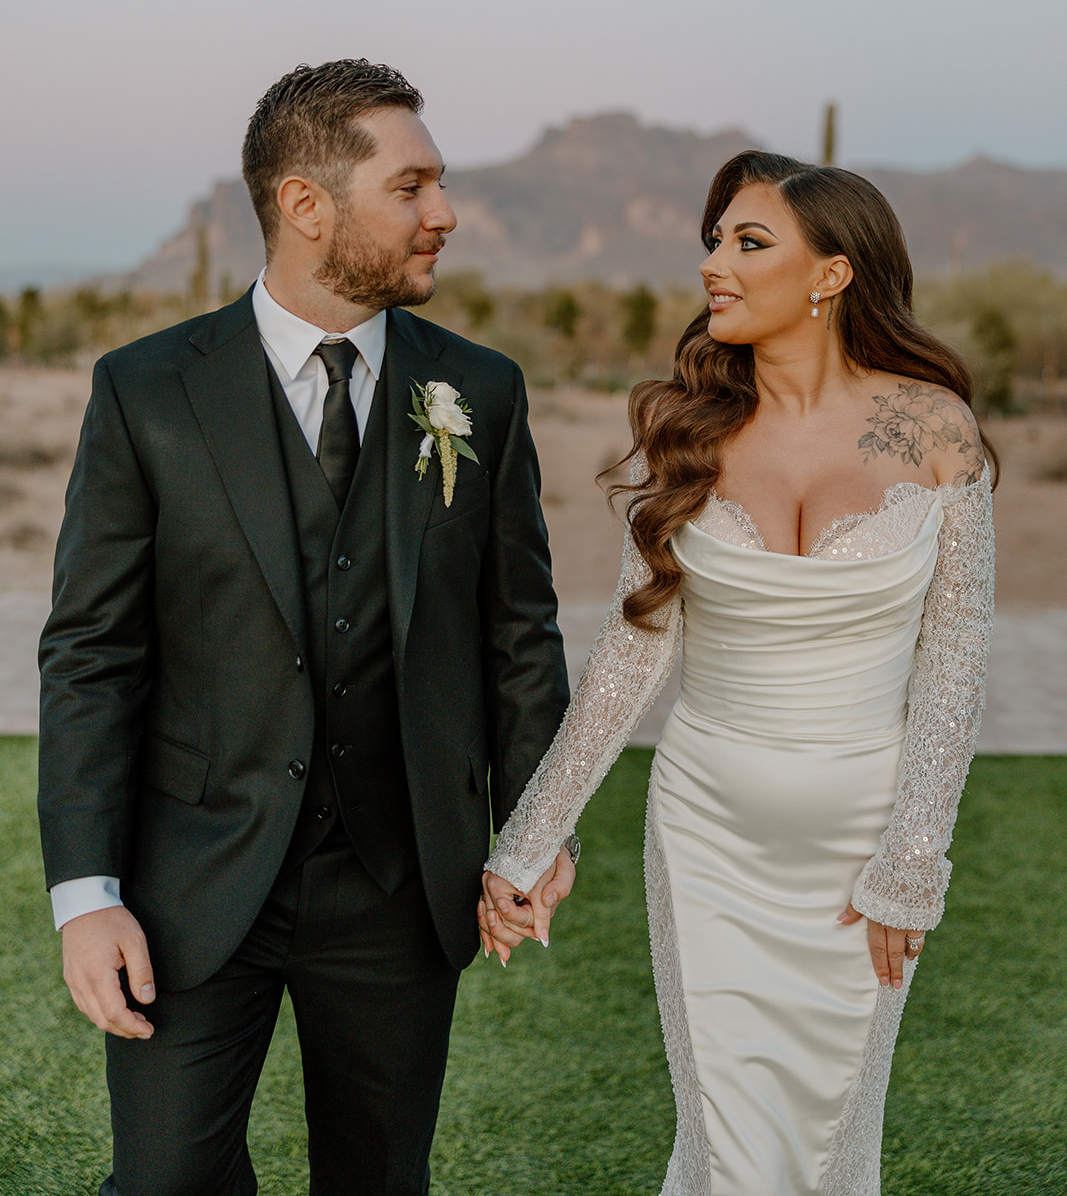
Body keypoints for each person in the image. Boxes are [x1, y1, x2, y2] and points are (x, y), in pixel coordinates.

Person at [38, 58, 575, 1196]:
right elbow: (92, 653)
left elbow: (518, 632)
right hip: (190, 878)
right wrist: (86, 897)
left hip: (398, 880)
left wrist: (536, 827)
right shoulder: (146, 390)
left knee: (379, 1179)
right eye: (411, 186)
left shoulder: (479, 387)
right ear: (304, 203)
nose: (444, 214)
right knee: (164, 1183)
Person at [480, 150, 995, 1196]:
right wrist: (528, 841)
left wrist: (911, 863)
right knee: (725, 1138)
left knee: (826, 1147)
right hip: (706, 830)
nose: (715, 262)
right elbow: (629, 658)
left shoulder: (935, 430)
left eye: (747, 241)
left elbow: (954, 667)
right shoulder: (685, 429)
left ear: (831, 274)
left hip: (862, 846)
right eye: (713, 240)